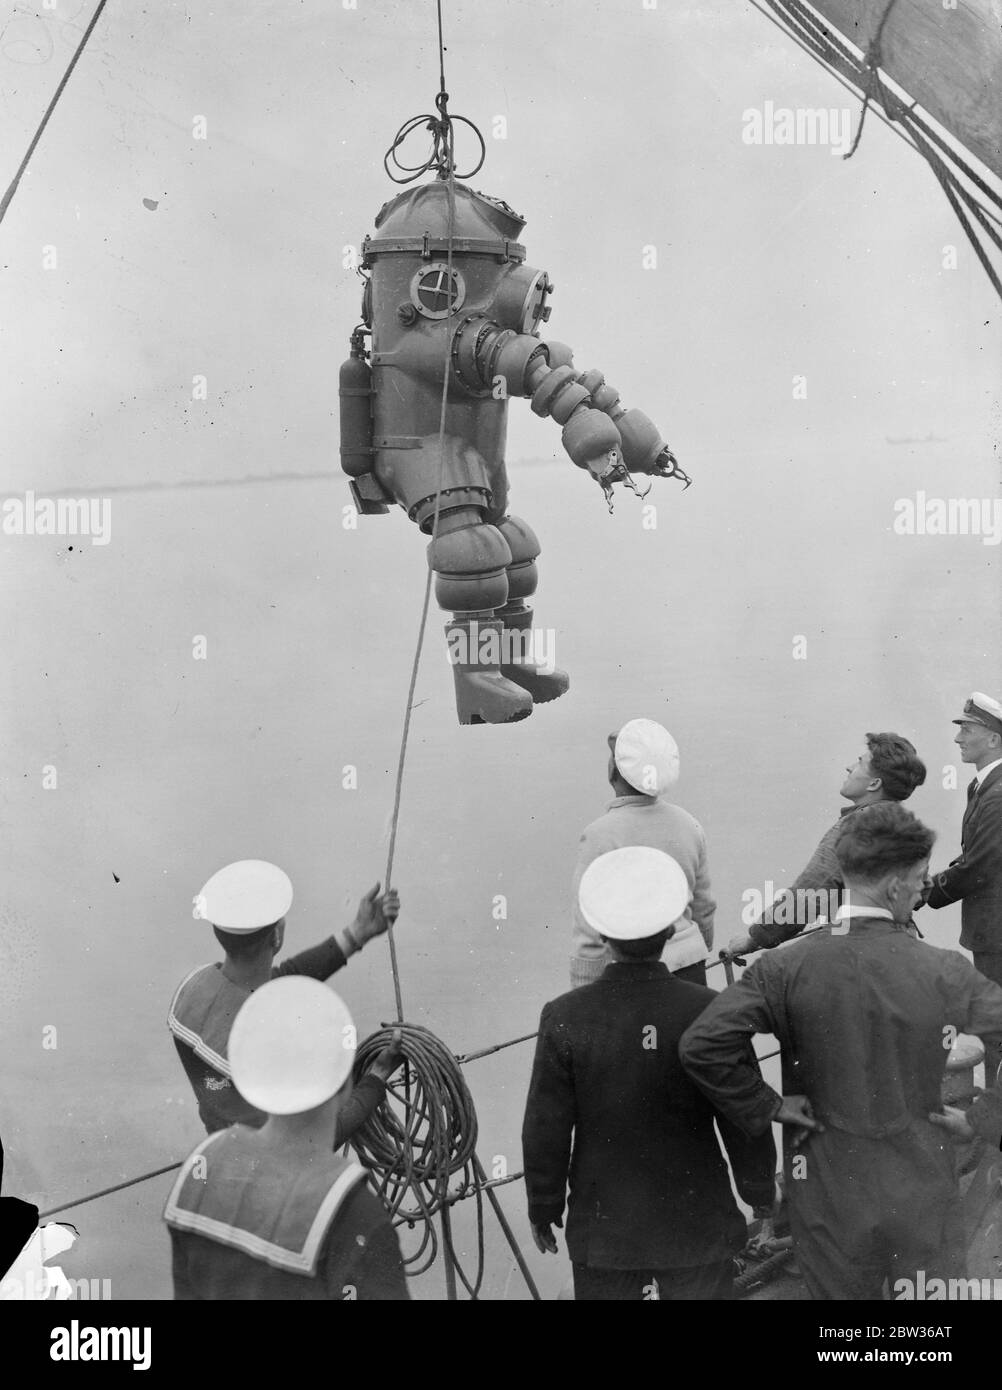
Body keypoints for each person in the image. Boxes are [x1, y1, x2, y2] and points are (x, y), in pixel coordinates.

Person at [680, 801, 1002, 1301]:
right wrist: (986, 1118)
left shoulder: (783, 968)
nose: (923, 889)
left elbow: (703, 1044)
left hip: (827, 1186)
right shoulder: (945, 970)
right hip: (921, 1180)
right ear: (896, 885)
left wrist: (768, 1106)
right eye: (920, 878)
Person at [524, 846, 777, 1301]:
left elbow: (546, 1127)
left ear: (602, 935)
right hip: (697, 1220)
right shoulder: (711, 1010)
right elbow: (744, 1111)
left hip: (605, 1229)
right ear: (669, 932)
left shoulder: (564, 1016)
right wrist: (758, 1186)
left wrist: (544, 1205)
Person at [164, 976, 409, 1300]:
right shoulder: (352, 1211)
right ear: (341, 1087)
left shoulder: (196, 1177)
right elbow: (306, 1145)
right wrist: (375, 1078)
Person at [169, 860, 402, 1139]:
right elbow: (316, 1141)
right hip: (273, 1174)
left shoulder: (193, 988)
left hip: (222, 1150)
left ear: (219, 932)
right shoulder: (271, 1054)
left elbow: (278, 979)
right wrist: (376, 1077)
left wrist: (355, 934)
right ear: (278, 936)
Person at [722, 732, 926, 960]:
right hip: (905, 950)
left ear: (874, 783)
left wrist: (754, 939)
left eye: (859, 763)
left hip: (860, 953)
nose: (849, 768)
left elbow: (809, 892)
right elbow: (923, 890)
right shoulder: (907, 824)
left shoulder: (855, 826)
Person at [570, 719, 715, 988]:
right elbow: (704, 910)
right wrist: (691, 957)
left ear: (614, 770)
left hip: (630, 976)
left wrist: (583, 996)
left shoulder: (599, 835)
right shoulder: (689, 825)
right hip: (689, 970)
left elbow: (589, 933)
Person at [924, 693, 1002, 988]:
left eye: (966, 730)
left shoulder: (997, 794)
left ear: (994, 740)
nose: (958, 739)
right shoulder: (984, 786)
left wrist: (925, 892)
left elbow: (981, 864)